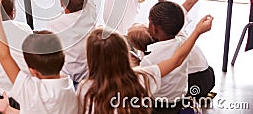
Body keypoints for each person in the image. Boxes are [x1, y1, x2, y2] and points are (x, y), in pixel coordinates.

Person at [77, 14, 213, 114]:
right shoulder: (143, 77)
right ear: (125, 52)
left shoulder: (84, 88)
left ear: (90, 57)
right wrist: (197, 32)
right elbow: (177, 59)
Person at [0, 0, 78, 114]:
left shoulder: (31, 91)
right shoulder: (70, 89)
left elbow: (3, 54)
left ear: (33, 71)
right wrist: (8, 110)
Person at [151, 0, 227, 100]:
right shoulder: (175, 27)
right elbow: (177, 8)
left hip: (197, 82)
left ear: (155, 28)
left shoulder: (166, 47)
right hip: (208, 73)